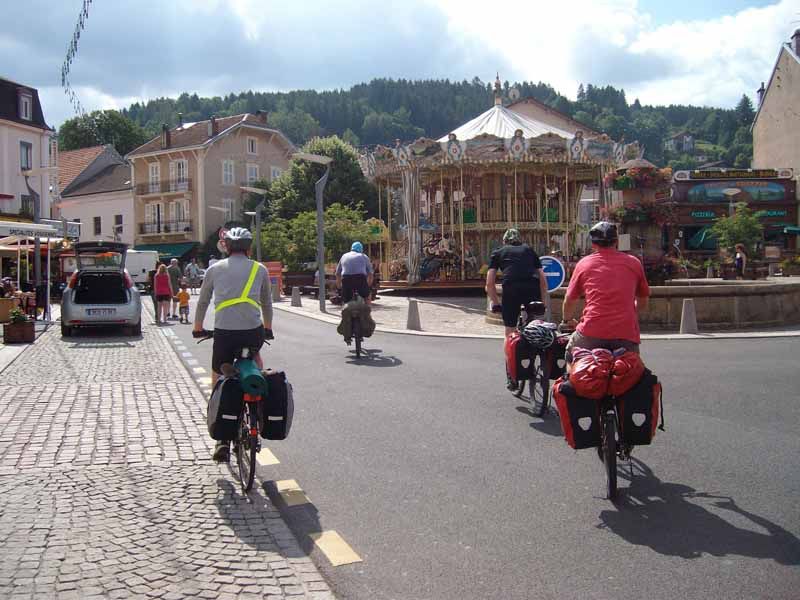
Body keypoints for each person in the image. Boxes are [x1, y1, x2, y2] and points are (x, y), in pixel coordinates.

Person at [193, 227, 274, 462]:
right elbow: (267, 303)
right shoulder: (259, 269)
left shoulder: (214, 269)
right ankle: (257, 405)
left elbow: (203, 301)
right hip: (252, 332)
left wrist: (197, 327)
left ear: (226, 247)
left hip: (225, 333)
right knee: (255, 359)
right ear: (249, 248)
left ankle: (222, 440)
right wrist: (268, 327)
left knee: (219, 373)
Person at [561, 221, 650, 364]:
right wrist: (629, 311)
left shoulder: (584, 264)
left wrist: (567, 320)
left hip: (591, 332)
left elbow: (570, 300)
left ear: (593, 244)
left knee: (570, 356)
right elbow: (643, 302)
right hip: (625, 334)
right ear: (616, 241)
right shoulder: (634, 263)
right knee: (634, 370)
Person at [485, 228, 548, 337]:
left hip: (511, 289)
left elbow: (489, 283)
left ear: (504, 241)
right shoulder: (529, 250)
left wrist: (495, 303)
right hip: (532, 288)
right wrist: (543, 302)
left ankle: (511, 343)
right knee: (534, 324)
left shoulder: (498, 252)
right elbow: (542, 278)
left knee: (510, 328)